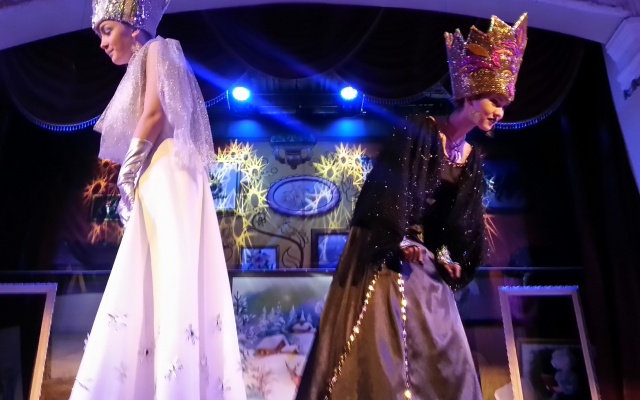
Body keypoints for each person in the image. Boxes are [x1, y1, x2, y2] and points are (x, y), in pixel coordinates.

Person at [295, 13, 528, 400]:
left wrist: (448, 256)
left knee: (441, 337)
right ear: (469, 96)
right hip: (384, 243)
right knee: (381, 335)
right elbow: (386, 191)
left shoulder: (470, 157)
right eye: (494, 100)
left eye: (504, 103)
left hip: (422, 254)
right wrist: (397, 239)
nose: (499, 110)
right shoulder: (420, 129)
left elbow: (453, 223)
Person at [70, 1, 247, 399]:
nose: (102, 43)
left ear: (134, 26)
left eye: (107, 31)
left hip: (166, 173)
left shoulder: (158, 49)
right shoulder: (148, 58)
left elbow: (153, 114)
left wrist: (128, 171)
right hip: (164, 173)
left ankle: (173, 385)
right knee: (159, 272)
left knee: (169, 271)